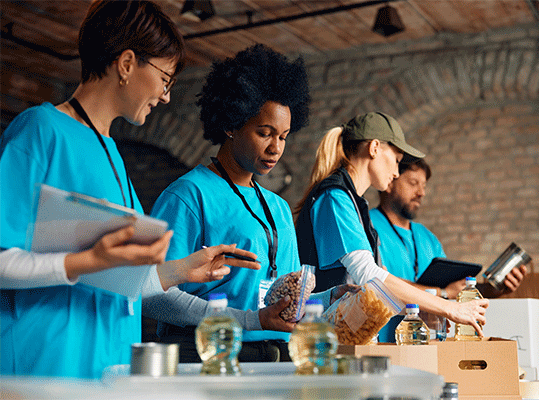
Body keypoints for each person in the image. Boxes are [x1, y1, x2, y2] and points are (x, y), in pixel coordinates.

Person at [0, 0, 259, 379]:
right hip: (48, 366)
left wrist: (184, 270)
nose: (166, 95)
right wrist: (86, 262)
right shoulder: (41, 129)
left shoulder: (114, 155)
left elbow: (120, 280)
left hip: (107, 366)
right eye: (165, 79)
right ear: (126, 64)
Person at [149, 44, 351, 363]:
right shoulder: (188, 195)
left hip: (278, 354)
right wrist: (248, 321)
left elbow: (282, 298)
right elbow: (152, 297)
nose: (276, 148)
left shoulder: (279, 207)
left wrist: (329, 298)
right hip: (210, 355)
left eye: (283, 136)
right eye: (264, 133)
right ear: (231, 124)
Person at [295, 112, 489, 336]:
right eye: (396, 160)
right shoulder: (335, 197)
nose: (396, 172)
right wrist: (450, 308)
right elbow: (369, 275)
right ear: (374, 148)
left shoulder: (356, 204)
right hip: (317, 342)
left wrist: (419, 310)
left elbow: (374, 288)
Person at [371, 158, 528, 342]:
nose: (421, 193)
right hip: (382, 343)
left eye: (424, 186)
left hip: (425, 343)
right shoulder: (368, 226)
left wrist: (497, 288)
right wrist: (443, 293)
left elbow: (456, 290)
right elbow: (376, 281)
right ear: (390, 181)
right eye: (413, 183)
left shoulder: (427, 237)